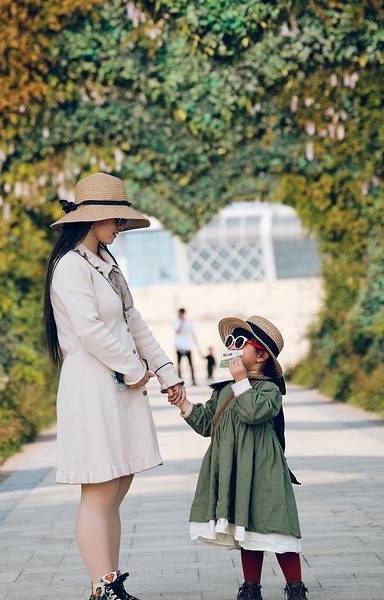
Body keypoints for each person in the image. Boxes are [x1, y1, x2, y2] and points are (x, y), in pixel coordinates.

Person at [44, 172, 185, 600]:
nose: (120, 227)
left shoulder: (105, 263)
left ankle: (110, 581)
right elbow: (89, 331)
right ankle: (101, 587)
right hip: (92, 387)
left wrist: (167, 373)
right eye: (116, 220)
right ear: (94, 218)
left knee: (118, 484)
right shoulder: (70, 267)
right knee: (100, 489)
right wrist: (132, 368)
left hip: (119, 387)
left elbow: (132, 321)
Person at [170, 315, 308, 600]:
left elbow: (254, 412)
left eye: (239, 342)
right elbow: (207, 424)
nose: (231, 347)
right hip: (236, 469)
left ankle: (295, 586)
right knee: (247, 529)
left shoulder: (269, 389)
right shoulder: (224, 390)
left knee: (277, 526)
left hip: (264, 470)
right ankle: (251, 586)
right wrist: (184, 404)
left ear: (261, 355)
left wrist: (242, 381)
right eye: (229, 342)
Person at [173, 308, 199, 385]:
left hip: (187, 346)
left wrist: (196, 343)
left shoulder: (188, 321)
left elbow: (192, 332)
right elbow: (177, 331)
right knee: (179, 364)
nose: (180, 315)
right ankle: (180, 381)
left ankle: (193, 380)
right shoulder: (175, 321)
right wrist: (181, 323)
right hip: (179, 346)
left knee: (191, 364)